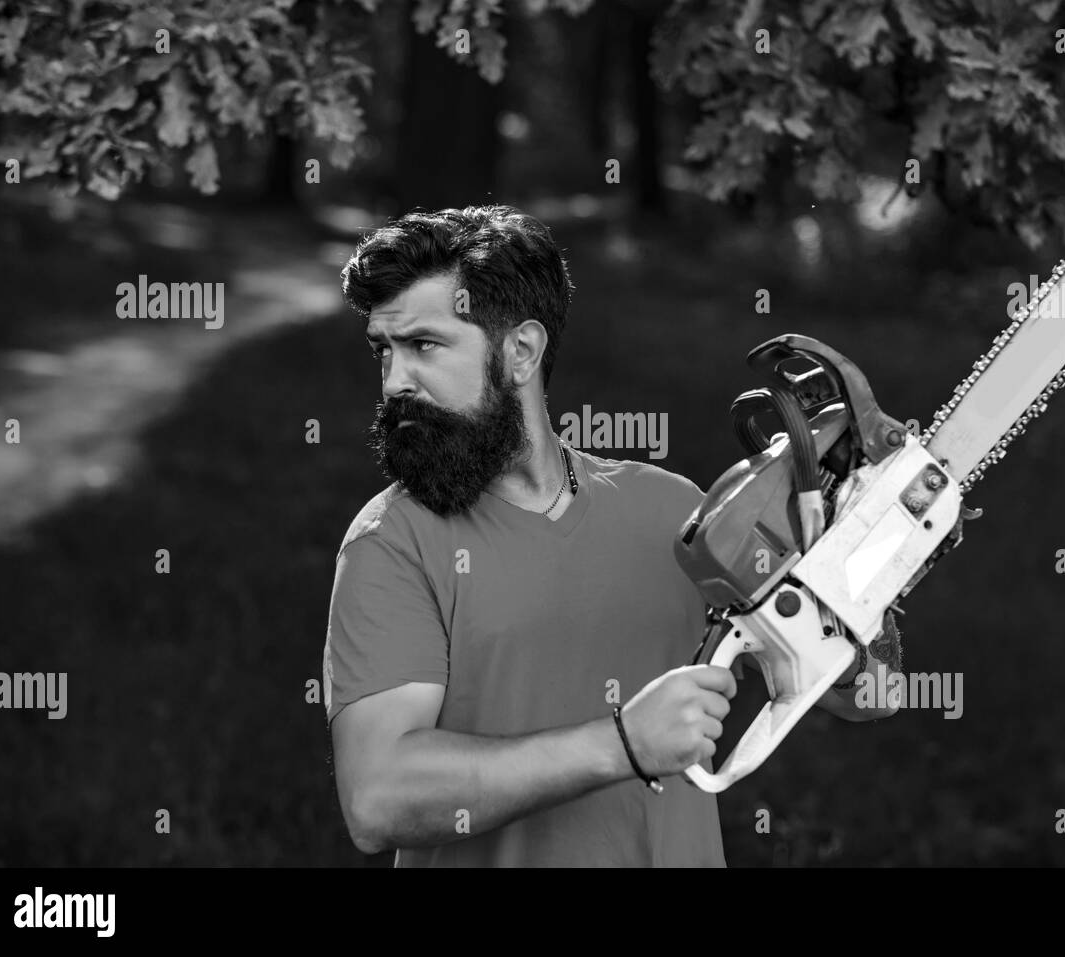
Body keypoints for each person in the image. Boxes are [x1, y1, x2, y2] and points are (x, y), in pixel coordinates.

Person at [322, 204, 899, 867]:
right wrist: (624, 743)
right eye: (383, 351)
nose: (395, 381)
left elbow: (871, 693)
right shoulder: (391, 542)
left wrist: (856, 581)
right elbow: (377, 799)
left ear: (520, 351)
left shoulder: (675, 515)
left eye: (423, 345)